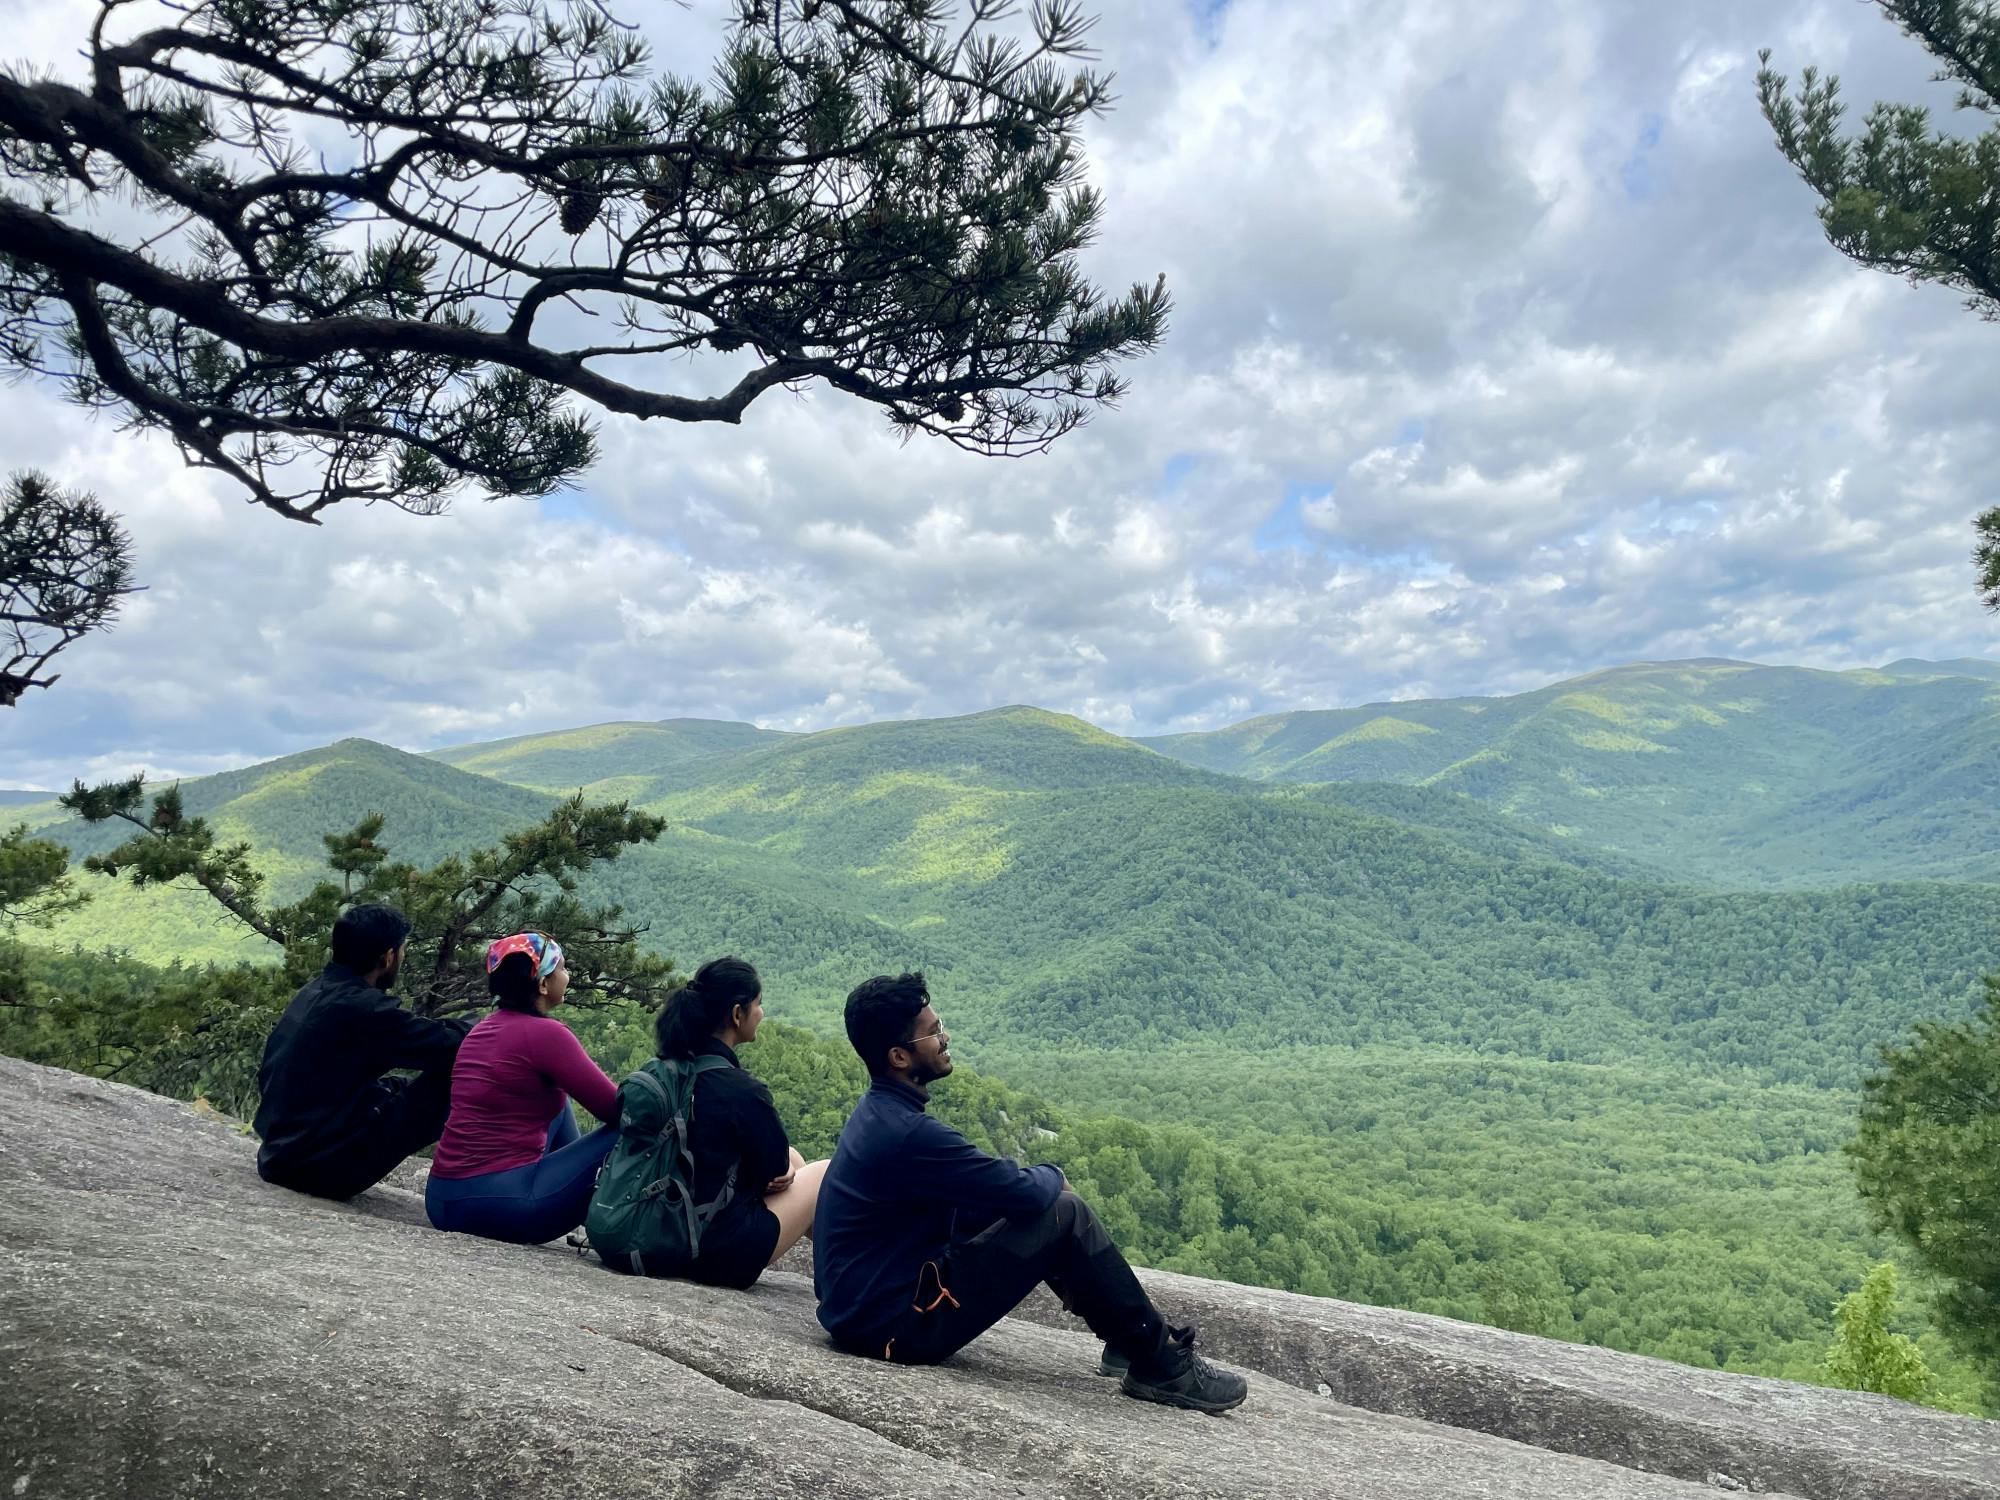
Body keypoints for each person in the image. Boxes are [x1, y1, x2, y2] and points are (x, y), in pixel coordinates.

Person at [813, 972, 1248, 1413]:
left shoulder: (880, 1114)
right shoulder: (909, 1134)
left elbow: (986, 1195)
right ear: (899, 1057)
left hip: (863, 1313)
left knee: (1027, 1210)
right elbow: (1022, 1193)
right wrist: (1054, 1173)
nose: (945, 1038)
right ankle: (1162, 1366)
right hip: (896, 1327)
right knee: (1064, 1213)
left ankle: (1128, 1338)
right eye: (933, 1033)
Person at [253, 903, 472, 1200]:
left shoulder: (316, 991)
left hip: (280, 1152)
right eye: (402, 951)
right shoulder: (362, 1009)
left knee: (398, 1088)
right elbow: (448, 1044)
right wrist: (493, 1026)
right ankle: (474, 1178)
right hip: (320, 1168)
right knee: (460, 1071)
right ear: (388, 956)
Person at [425, 932, 621, 1244]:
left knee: (558, 1098)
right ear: (543, 984)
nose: (567, 976)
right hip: (502, 1207)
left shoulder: (481, 1030)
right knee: (631, 1129)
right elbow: (617, 1110)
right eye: (562, 968)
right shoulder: (548, 1035)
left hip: (441, 1200)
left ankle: (567, 1196)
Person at [646, 956, 829, 1287]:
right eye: (758, 1004)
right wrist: (783, 1173)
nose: (761, 1013)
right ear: (737, 1014)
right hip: (713, 1253)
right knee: (823, 1172)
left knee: (794, 1157)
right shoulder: (741, 1090)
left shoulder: (665, 1071)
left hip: (658, 1227)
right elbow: (774, 1171)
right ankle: (860, 1273)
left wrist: (783, 1168)